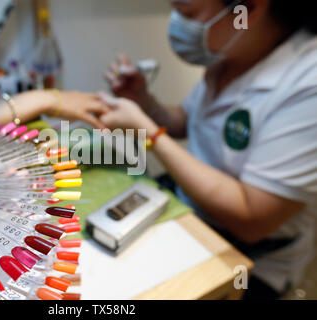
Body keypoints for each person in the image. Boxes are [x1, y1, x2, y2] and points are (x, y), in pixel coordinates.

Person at [99, 0, 317, 299]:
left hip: (251, 258)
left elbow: (252, 219)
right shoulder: (232, 53)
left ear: (247, 10)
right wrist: (144, 102)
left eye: (187, 13)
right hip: (190, 208)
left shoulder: (308, 86)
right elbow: (190, 121)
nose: (176, 23)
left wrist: (150, 134)